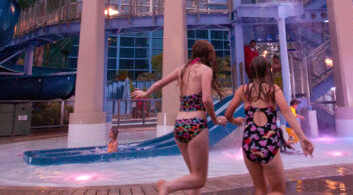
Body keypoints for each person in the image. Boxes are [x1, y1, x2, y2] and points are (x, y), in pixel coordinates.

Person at [132, 40, 227, 194]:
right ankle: (168, 186)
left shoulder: (182, 69)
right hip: (196, 125)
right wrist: (215, 119)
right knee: (200, 179)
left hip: (180, 126)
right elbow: (206, 100)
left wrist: (145, 94)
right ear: (208, 54)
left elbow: (157, 85)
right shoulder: (206, 70)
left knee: (193, 177)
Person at [225, 57, 314, 194]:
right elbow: (287, 114)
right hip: (269, 142)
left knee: (260, 189)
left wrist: (234, 121)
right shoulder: (273, 90)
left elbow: (228, 114)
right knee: (277, 190)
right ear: (267, 71)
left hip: (250, 143)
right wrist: (302, 137)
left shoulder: (243, 90)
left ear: (251, 72)